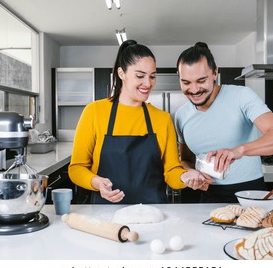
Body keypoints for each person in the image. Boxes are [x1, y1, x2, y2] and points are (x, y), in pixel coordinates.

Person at [68, 40, 210, 204]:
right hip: (106, 213)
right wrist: (96, 182)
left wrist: (185, 176)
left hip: (154, 212)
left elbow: (171, 170)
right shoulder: (94, 112)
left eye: (152, 76)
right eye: (140, 76)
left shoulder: (162, 119)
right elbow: (76, 168)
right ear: (122, 74)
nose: (148, 83)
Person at [174, 42, 273, 203]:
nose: (194, 90)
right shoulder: (181, 115)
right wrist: (191, 172)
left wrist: (239, 151)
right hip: (208, 195)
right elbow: (186, 160)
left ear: (215, 73)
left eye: (201, 80)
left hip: (250, 193)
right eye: (186, 82)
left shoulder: (242, 96)